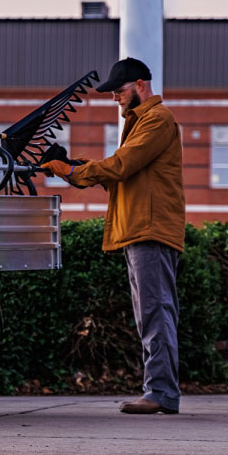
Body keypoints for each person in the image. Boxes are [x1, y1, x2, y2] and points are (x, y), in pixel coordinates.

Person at [42, 57, 185, 415]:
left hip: (150, 230)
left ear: (140, 85)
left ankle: (161, 393)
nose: (114, 98)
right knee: (151, 313)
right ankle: (160, 391)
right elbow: (119, 173)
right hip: (138, 228)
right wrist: (70, 167)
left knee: (155, 312)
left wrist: (72, 170)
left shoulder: (157, 120)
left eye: (118, 91)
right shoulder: (140, 124)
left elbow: (121, 166)